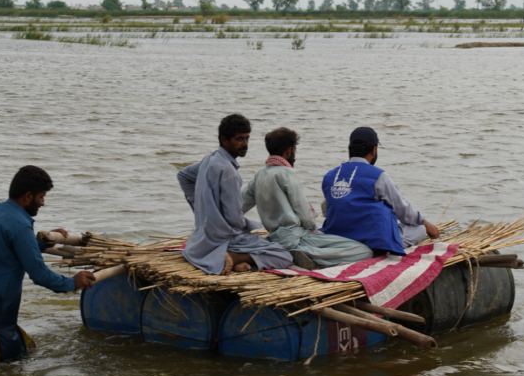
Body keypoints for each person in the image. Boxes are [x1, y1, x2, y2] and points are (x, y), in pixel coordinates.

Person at [0, 165, 95, 373]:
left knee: (25, 353)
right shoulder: (20, 226)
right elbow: (40, 275)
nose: (43, 203)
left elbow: (9, 250)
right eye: (41, 197)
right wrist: (73, 282)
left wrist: (43, 243)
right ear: (28, 196)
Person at [242, 127, 374, 270]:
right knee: (363, 251)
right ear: (289, 151)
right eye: (294, 150)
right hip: (295, 238)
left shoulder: (259, 175)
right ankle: (307, 256)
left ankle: (297, 254)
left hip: (275, 238)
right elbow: (303, 211)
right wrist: (313, 228)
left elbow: (239, 204)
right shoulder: (287, 173)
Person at [177, 114, 293, 275]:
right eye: (239, 139)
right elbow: (234, 219)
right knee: (283, 256)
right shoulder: (229, 172)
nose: (245, 144)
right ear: (224, 140)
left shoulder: (209, 159)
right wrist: (248, 226)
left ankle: (242, 261)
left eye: (247, 139)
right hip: (224, 239)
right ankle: (233, 257)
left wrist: (203, 212)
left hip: (203, 236)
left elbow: (183, 176)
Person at [321, 127, 440, 255]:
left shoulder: (330, 176)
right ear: (374, 149)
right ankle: (372, 249)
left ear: (349, 149)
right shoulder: (378, 176)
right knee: (419, 229)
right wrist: (426, 224)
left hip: (337, 236)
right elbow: (403, 211)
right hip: (371, 240)